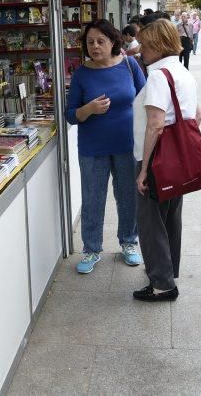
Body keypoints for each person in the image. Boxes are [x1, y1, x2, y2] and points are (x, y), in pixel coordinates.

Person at [65, 19, 146, 274]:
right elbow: (70, 115)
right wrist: (88, 109)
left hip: (126, 144)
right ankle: (91, 249)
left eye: (101, 41)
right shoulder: (82, 73)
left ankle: (129, 243)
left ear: (113, 42)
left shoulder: (130, 65)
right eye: (90, 42)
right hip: (92, 147)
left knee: (128, 197)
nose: (95, 46)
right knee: (92, 199)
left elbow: (146, 99)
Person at [131, 18, 201, 301]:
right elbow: (197, 115)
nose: (140, 52)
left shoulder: (159, 76)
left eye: (145, 46)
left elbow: (155, 124)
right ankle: (167, 271)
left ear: (158, 46)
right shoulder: (182, 72)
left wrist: (144, 169)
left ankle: (161, 284)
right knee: (171, 218)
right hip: (178, 159)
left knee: (150, 222)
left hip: (158, 158)